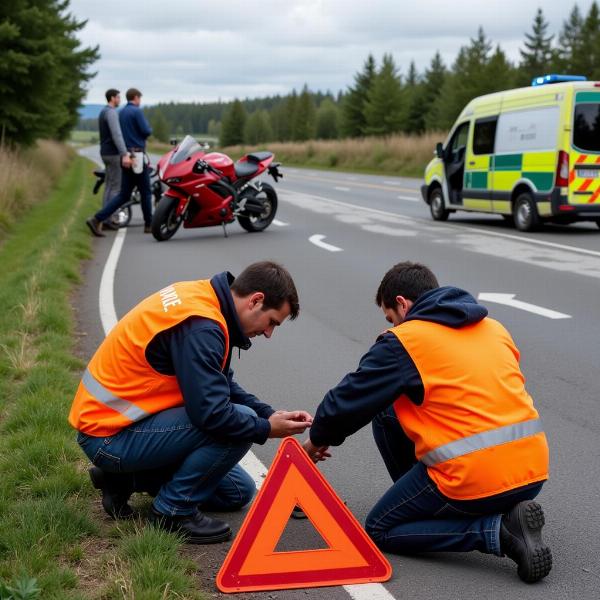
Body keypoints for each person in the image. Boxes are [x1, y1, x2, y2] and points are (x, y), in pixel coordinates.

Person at [303, 262, 552, 583]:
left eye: (391, 318)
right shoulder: (494, 327)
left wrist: (317, 438)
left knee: (381, 528)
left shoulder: (405, 341)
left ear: (403, 304)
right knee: (389, 410)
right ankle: (485, 509)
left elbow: (346, 402)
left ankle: (496, 530)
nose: (392, 325)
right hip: (532, 473)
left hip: (473, 480)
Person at [69, 262, 312, 543]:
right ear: (255, 300)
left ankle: (123, 480)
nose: (269, 333)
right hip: (108, 438)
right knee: (237, 423)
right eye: (272, 322)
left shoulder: (204, 298)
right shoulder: (202, 327)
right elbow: (212, 414)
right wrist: (265, 427)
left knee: (237, 491)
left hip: (123, 426)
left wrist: (269, 414)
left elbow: (221, 384)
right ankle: (172, 512)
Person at [87, 88, 154, 236]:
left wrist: (124, 153)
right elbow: (146, 130)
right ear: (136, 97)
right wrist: (149, 129)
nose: (140, 101)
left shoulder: (120, 113)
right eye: (139, 98)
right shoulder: (136, 111)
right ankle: (149, 224)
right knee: (146, 192)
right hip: (136, 155)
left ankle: (97, 219)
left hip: (126, 156)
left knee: (124, 194)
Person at [96, 89, 132, 232]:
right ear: (112, 98)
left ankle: (104, 218)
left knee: (109, 186)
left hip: (105, 152)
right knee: (116, 187)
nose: (119, 99)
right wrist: (124, 153)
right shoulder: (111, 113)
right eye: (118, 97)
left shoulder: (103, 111)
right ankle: (111, 218)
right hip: (113, 153)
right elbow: (117, 134)